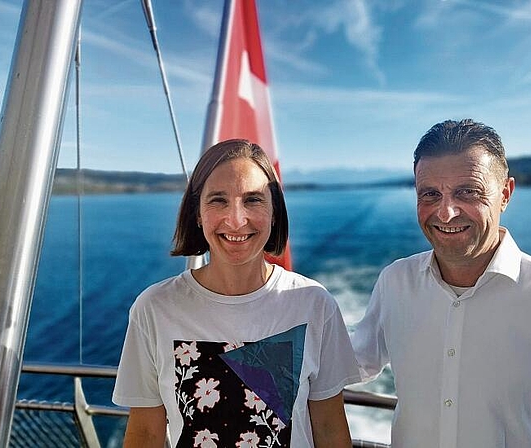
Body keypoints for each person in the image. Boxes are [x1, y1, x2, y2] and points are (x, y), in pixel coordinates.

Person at [351, 119, 531, 447]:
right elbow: (349, 364)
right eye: (430, 194)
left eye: (467, 192)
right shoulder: (394, 283)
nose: (445, 213)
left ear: (505, 194)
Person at [113, 139, 360, 447]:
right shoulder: (155, 308)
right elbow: (146, 433)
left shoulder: (314, 303)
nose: (236, 220)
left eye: (253, 200)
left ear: (274, 212)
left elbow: (329, 427)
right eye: (218, 200)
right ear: (198, 214)